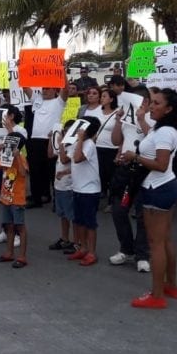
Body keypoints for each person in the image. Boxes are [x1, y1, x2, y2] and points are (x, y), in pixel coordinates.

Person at [121, 88, 177, 309]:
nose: (151, 106)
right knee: (165, 240)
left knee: (155, 243)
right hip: (163, 187)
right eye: (152, 102)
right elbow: (151, 138)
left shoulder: (166, 131)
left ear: (168, 109)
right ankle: (170, 286)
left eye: (156, 103)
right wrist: (140, 120)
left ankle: (157, 295)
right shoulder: (161, 129)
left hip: (158, 188)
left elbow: (161, 164)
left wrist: (134, 156)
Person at [109, 86, 154, 272]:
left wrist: (142, 118)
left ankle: (142, 254)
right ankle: (126, 249)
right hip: (125, 169)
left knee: (143, 214)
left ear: (145, 102)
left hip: (145, 169)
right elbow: (115, 140)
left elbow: (153, 138)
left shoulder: (154, 119)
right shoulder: (126, 117)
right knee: (119, 210)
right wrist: (119, 121)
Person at [24, 83, 68, 208]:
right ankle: (37, 198)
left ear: (55, 89)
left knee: (52, 171)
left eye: (47, 88)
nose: (44, 90)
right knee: (35, 171)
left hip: (51, 140)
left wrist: (62, 71)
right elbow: (25, 87)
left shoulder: (59, 102)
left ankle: (56, 201)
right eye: (43, 88)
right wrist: (20, 67)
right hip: (35, 140)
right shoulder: (37, 100)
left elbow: (65, 89)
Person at [67, 116, 102, 266]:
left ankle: (92, 252)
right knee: (79, 221)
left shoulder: (89, 144)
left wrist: (80, 139)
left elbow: (77, 158)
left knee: (89, 223)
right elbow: (67, 158)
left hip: (89, 190)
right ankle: (83, 248)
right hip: (78, 188)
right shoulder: (78, 143)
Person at [0, 132, 29, 267]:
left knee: (20, 226)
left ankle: (22, 256)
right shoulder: (5, 157)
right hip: (6, 197)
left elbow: (23, 173)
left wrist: (17, 155)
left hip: (17, 198)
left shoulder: (22, 158)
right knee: (8, 225)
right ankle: (9, 252)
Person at [47, 120, 75, 253]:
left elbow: (64, 160)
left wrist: (61, 143)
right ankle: (64, 239)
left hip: (69, 186)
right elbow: (50, 154)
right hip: (59, 185)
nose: (66, 133)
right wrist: (50, 139)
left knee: (72, 215)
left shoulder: (73, 146)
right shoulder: (62, 145)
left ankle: (76, 242)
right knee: (62, 214)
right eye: (65, 131)